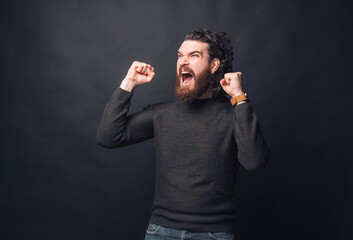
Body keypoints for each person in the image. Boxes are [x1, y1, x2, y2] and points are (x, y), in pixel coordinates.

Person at [97, 28, 270, 240]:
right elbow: (108, 137)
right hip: (160, 232)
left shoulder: (233, 115)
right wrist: (129, 82)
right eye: (180, 56)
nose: (182, 62)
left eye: (193, 55)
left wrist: (239, 98)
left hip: (213, 235)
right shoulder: (161, 113)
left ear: (213, 65)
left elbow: (254, 161)